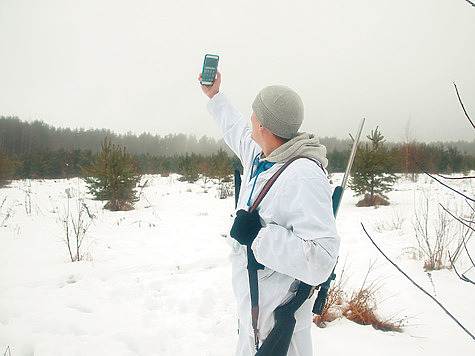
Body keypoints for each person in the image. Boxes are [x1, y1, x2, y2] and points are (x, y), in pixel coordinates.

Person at [199, 71, 340, 356]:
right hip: (254, 317)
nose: (249, 118)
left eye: (254, 113)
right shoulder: (264, 155)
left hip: (280, 328)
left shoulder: (304, 175)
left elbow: (323, 259)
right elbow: (235, 129)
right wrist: (215, 95)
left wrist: (257, 236)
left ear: (263, 125)